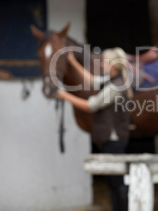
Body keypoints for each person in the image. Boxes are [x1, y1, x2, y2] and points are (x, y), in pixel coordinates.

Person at [56, 47, 133, 211]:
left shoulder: (115, 87)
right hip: (110, 140)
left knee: (117, 182)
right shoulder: (111, 80)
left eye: (105, 62)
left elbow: (90, 105)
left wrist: (65, 95)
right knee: (113, 182)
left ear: (113, 65)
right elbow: (90, 79)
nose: (102, 64)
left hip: (114, 141)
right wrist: (72, 62)